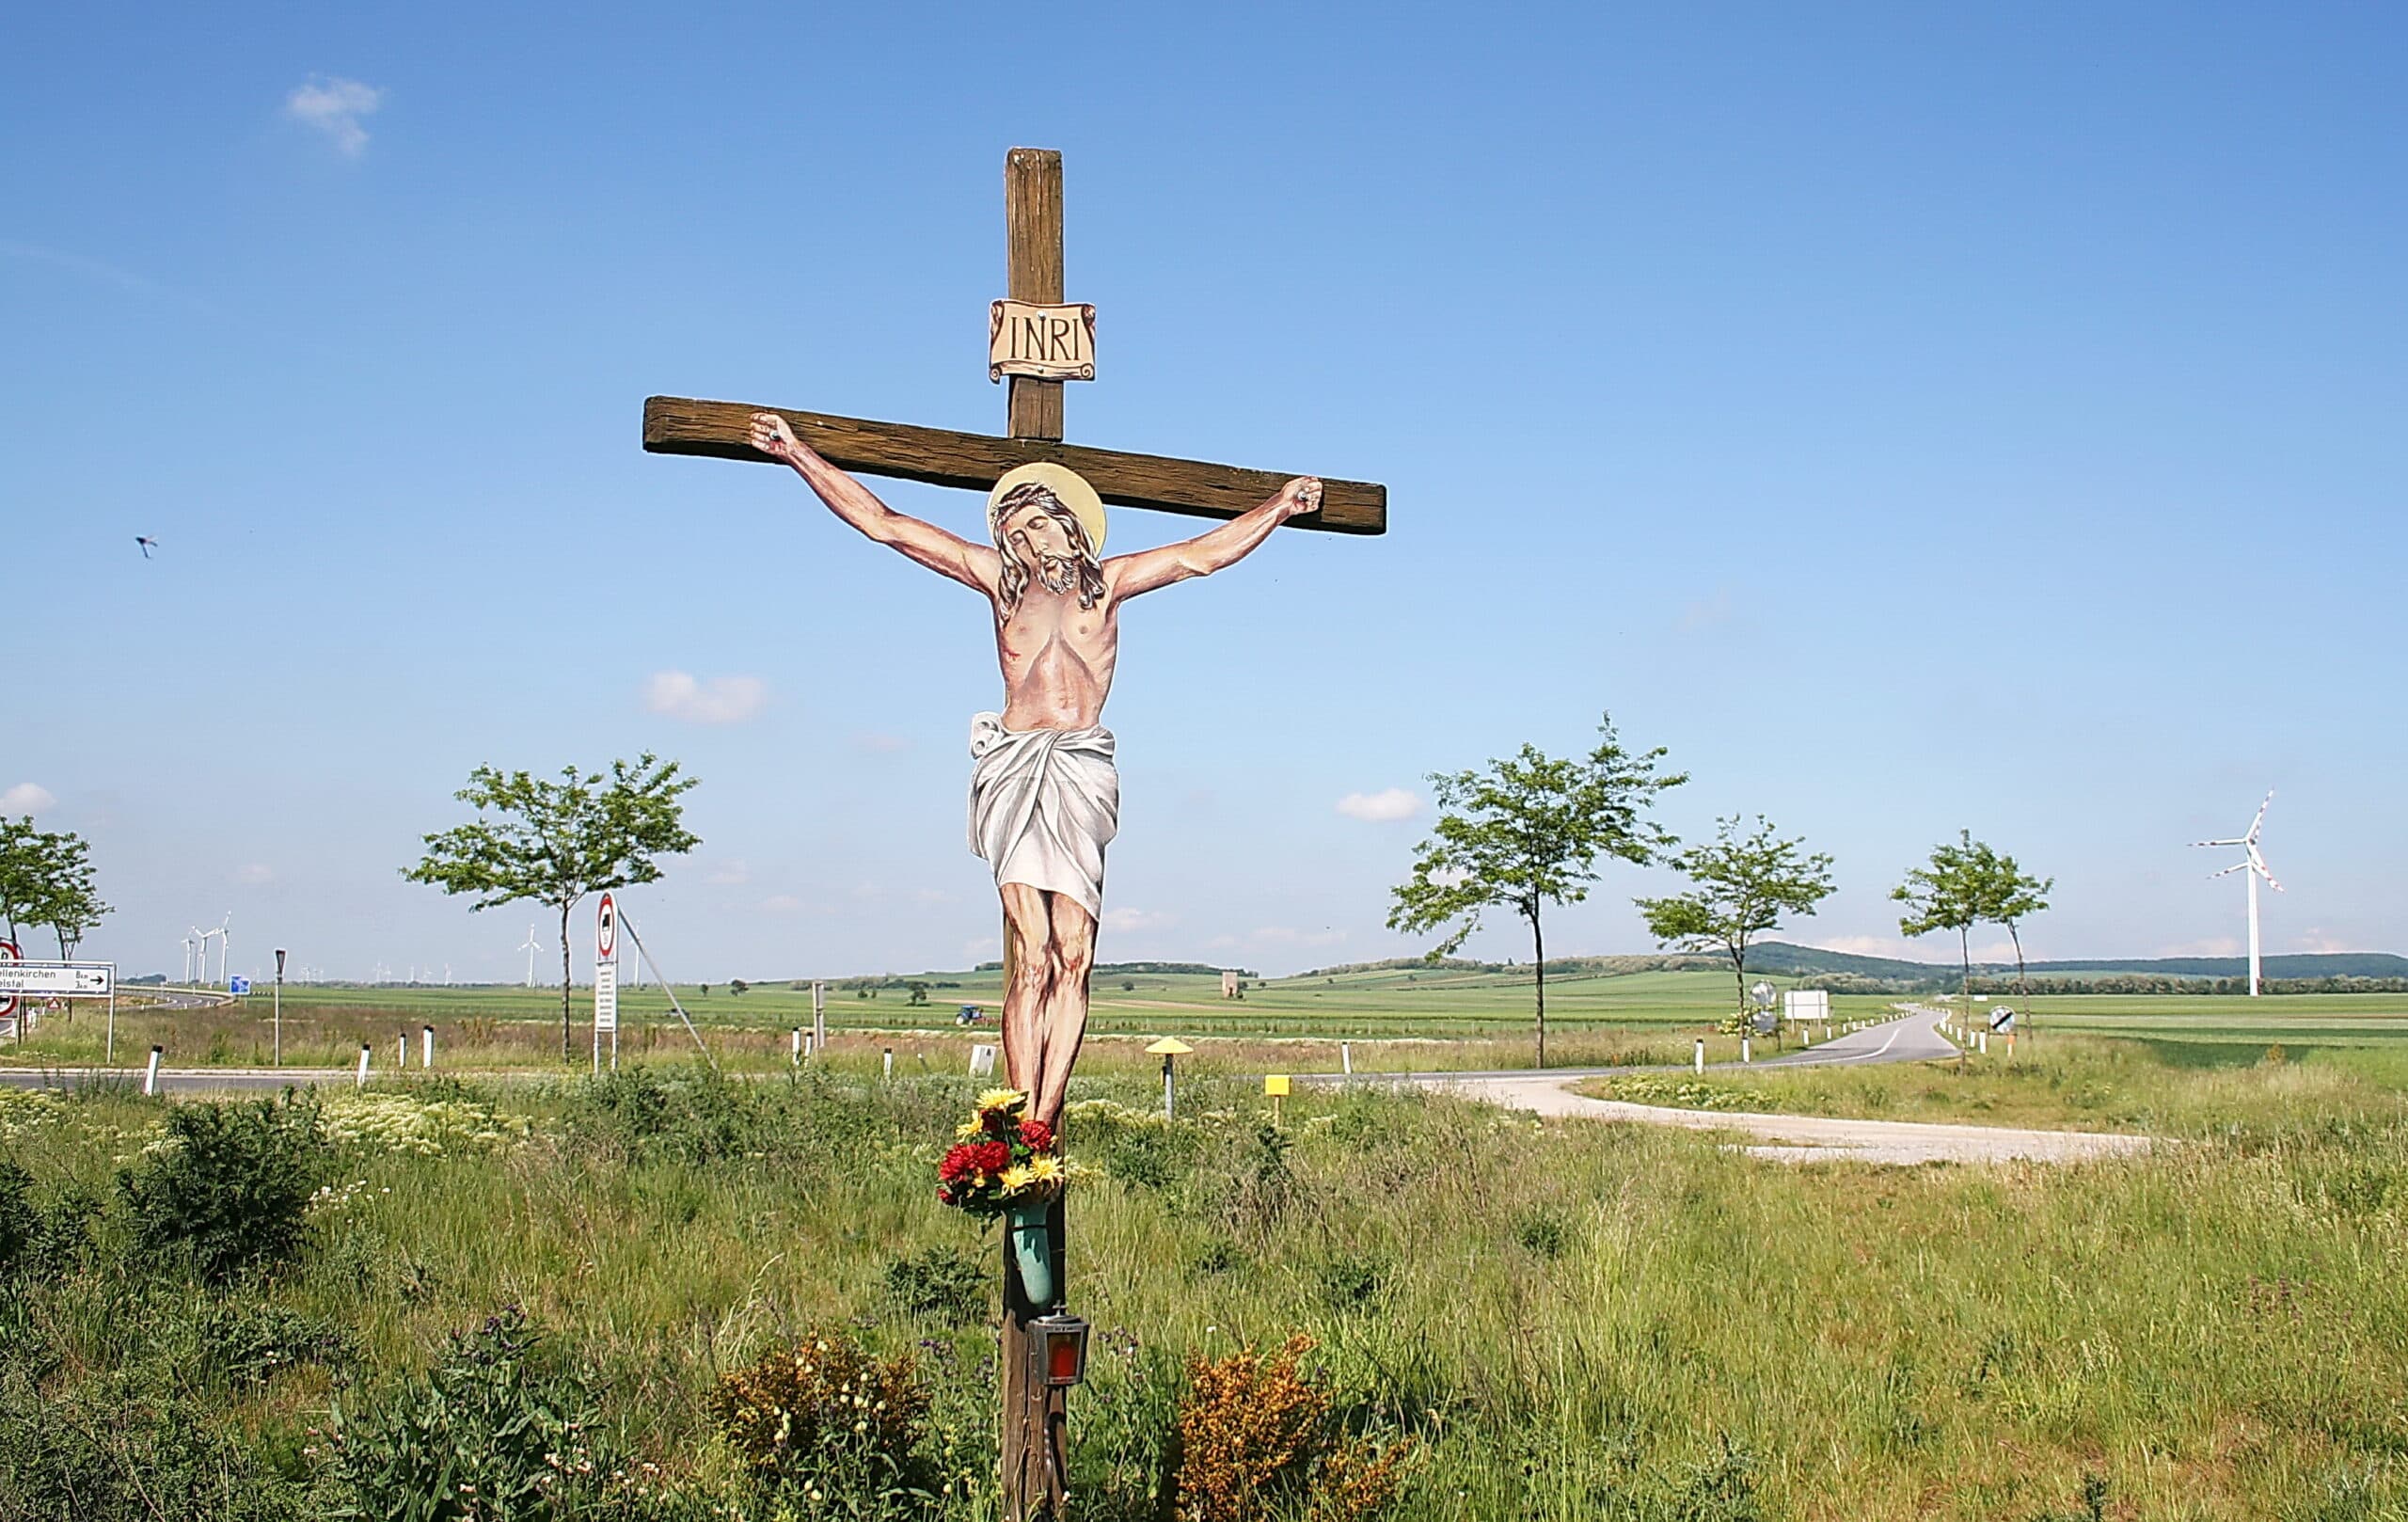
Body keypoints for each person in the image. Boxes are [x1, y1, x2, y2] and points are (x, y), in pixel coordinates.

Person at [747, 411, 1319, 1125]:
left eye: (1038, 526)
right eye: (1013, 533)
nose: (1026, 542)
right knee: (1034, 953)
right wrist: (798, 454)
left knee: (1076, 954)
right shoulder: (1000, 585)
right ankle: (1018, 1114)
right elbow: (887, 525)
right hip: (1017, 768)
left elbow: (1201, 554)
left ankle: (1045, 1115)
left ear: (1070, 525)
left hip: (1080, 769)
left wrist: (1278, 507)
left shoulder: (1110, 584)